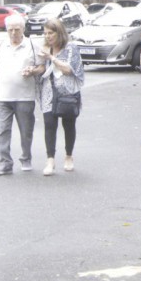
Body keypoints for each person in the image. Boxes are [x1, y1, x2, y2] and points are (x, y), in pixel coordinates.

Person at [0, 13, 41, 176]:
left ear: (23, 29)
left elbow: (42, 67)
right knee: (3, 131)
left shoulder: (32, 46)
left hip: (25, 97)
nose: (13, 33)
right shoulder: (0, 46)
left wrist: (33, 71)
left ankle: (26, 158)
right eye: (10, 30)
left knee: (26, 130)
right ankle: (5, 163)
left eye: (17, 30)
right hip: (3, 97)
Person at [36, 19, 84, 176]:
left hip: (67, 92)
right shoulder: (44, 48)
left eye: (51, 33)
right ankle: (50, 160)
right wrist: (33, 70)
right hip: (49, 92)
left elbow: (69, 69)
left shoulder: (70, 48)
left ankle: (69, 156)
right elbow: (42, 68)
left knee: (68, 125)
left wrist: (52, 58)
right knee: (49, 124)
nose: (48, 36)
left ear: (59, 33)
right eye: (45, 33)